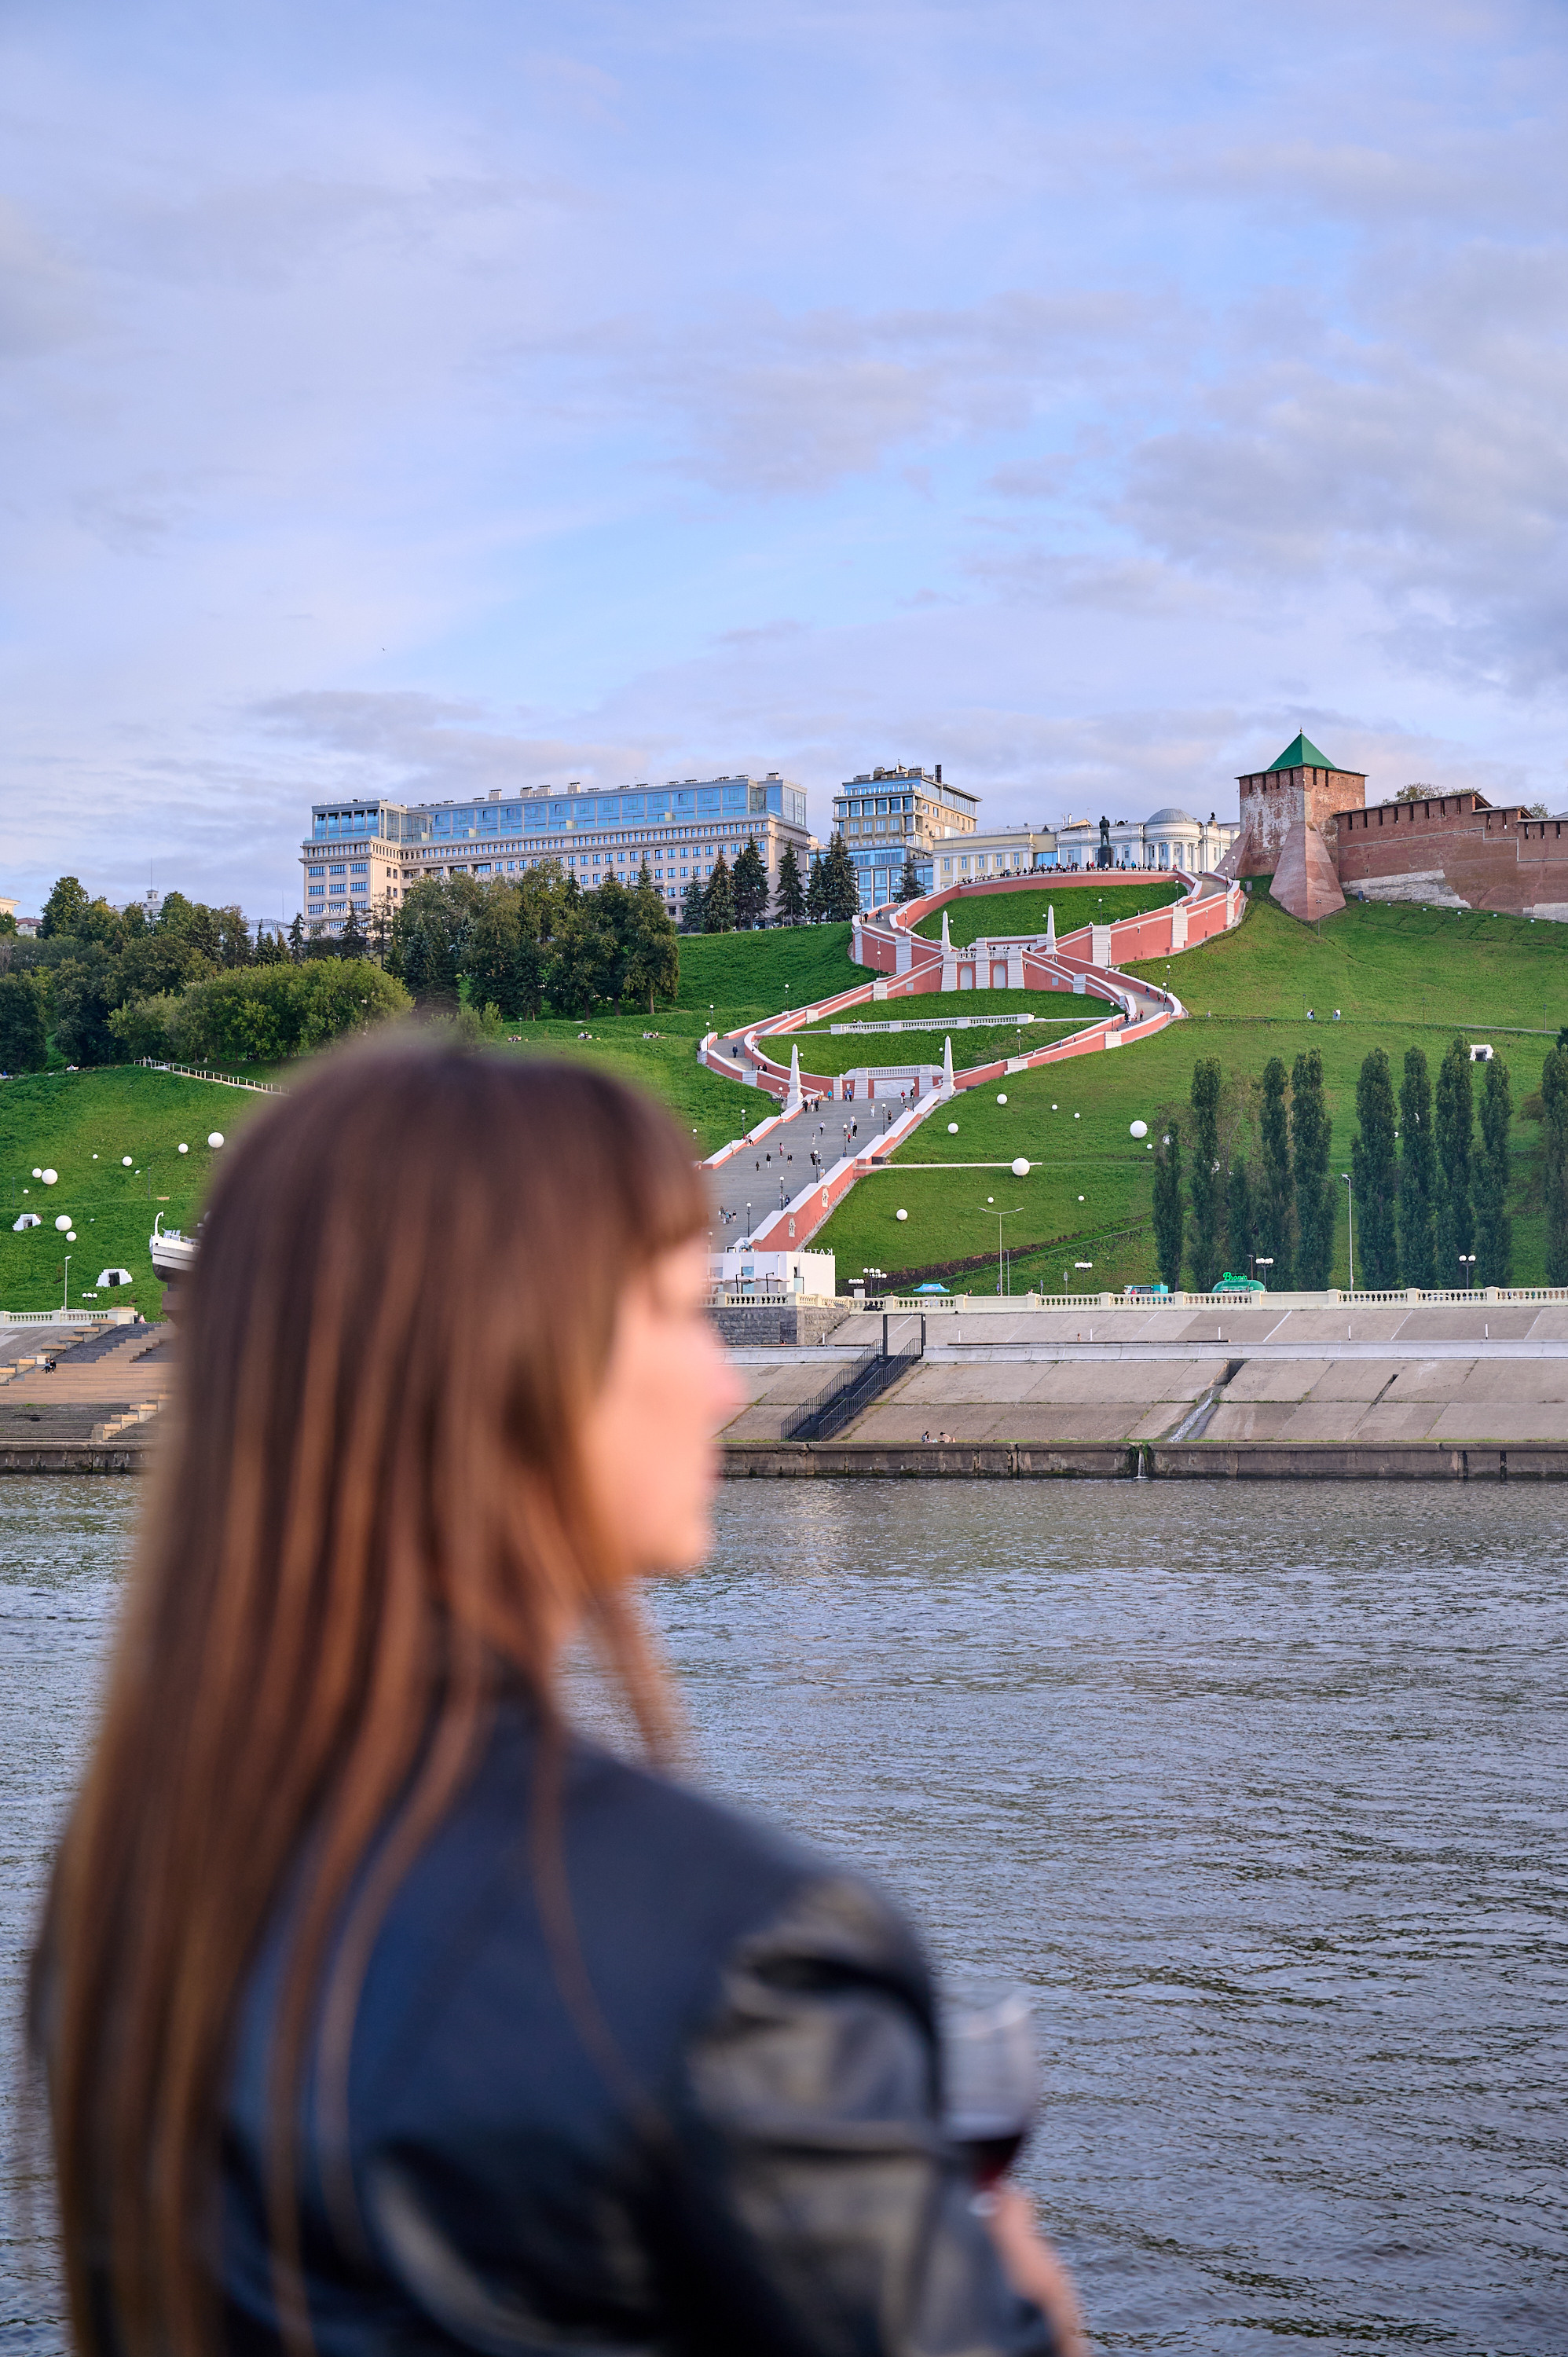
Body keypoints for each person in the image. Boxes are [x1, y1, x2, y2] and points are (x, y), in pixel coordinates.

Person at [31, 1042, 1082, 2357]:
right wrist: (1027, 2311)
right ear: (509, 1365)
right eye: (671, 1312)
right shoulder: (741, 1952)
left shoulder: (130, 1881)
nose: (728, 1381)